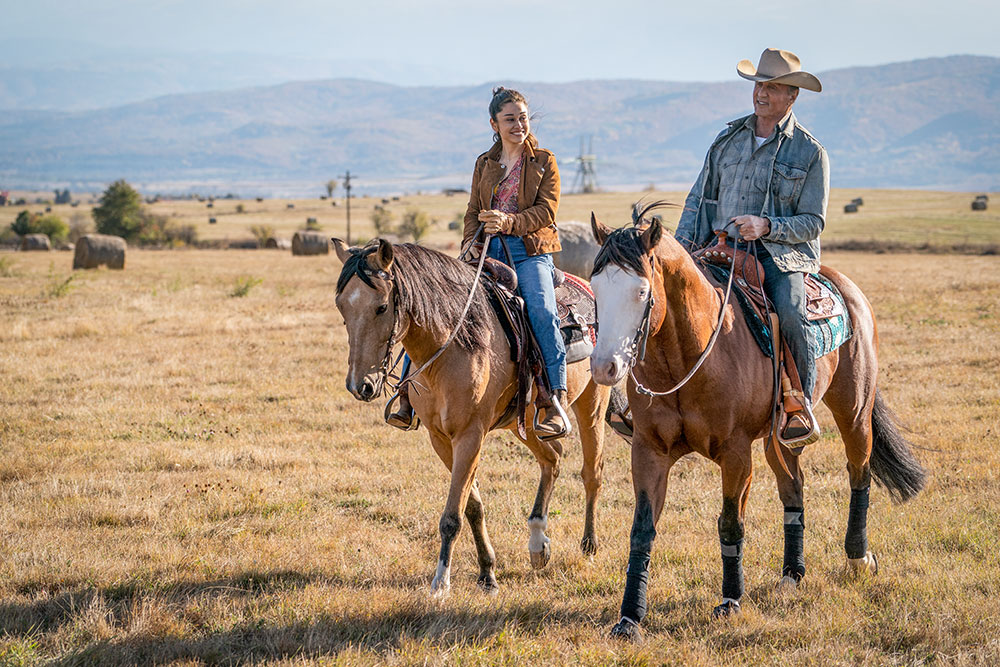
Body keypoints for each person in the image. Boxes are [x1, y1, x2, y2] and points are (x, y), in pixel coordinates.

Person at [386, 87, 568, 440]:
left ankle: (553, 400)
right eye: (510, 119)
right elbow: (472, 211)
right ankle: (406, 394)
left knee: (542, 311)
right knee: (430, 304)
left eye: (523, 118)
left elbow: (547, 211)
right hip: (487, 248)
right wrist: (470, 244)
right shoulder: (484, 164)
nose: (518, 125)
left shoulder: (545, 160)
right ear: (494, 124)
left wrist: (509, 222)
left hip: (530, 249)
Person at [675, 48, 830, 446]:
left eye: (774, 87)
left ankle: (799, 404)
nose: (762, 93)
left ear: (792, 96)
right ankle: (643, 399)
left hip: (778, 256)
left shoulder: (810, 152)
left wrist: (766, 226)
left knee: (793, 313)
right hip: (718, 247)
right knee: (663, 303)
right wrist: (678, 253)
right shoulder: (726, 140)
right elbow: (699, 200)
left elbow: (814, 222)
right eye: (759, 84)